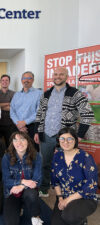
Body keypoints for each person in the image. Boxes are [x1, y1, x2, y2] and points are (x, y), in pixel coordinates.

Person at [34, 67, 94, 197]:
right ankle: (44, 188)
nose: (58, 76)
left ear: (67, 76)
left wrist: (79, 135)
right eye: (55, 74)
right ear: (52, 76)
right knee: (44, 163)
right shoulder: (46, 94)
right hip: (46, 135)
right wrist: (37, 132)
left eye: (61, 74)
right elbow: (39, 114)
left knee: (65, 165)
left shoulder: (74, 93)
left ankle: (65, 193)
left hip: (65, 137)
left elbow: (87, 114)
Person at [51, 127, 98, 225]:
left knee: (69, 217)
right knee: (56, 223)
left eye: (69, 139)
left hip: (84, 197)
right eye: (62, 139)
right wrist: (60, 198)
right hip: (63, 196)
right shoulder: (57, 156)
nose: (65, 142)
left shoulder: (85, 157)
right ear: (58, 141)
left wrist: (68, 200)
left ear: (75, 140)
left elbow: (91, 185)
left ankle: (82, 221)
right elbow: (55, 181)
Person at [2, 131, 43, 225]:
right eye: (15, 140)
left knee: (31, 195)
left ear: (28, 141)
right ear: (12, 143)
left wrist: (22, 186)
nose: (19, 143)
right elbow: (6, 180)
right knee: (11, 222)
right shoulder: (7, 157)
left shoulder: (36, 156)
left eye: (22, 139)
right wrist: (22, 181)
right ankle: (19, 207)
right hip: (12, 192)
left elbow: (37, 180)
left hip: (29, 191)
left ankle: (36, 216)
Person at [10, 71, 42, 143]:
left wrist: (24, 122)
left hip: (32, 128)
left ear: (33, 80)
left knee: (32, 150)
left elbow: (39, 112)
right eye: (24, 78)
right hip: (17, 127)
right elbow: (12, 111)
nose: (26, 80)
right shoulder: (16, 95)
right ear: (22, 80)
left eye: (29, 78)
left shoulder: (39, 93)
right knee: (17, 149)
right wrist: (18, 124)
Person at [0, 74, 17, 147]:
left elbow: (14, 108)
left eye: (6, 80)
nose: (4, 82)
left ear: (9, 82)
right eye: (3, 80)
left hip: (10, 124)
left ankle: (9, 158)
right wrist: (9, 103)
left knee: (10, 145)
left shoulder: (14, 94)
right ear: (0, 82)